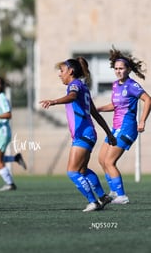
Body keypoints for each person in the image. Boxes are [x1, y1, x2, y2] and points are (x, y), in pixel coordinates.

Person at [39, 57, 117, 212]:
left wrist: (54, 101)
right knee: (82, 170)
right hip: (88, 133)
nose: (60, 74)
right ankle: (102, 197)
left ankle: (93, 202)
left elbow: (72, 96)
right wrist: (109, 133)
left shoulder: (74, 85)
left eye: (62, 71)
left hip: (83, 134)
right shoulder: (83, 87)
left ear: (71, 71)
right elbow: (95, 114)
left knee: (72, 171)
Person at [97, 47, 151, 204]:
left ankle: (122, 196)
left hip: (127, 128)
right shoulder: (115, 85)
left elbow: (148, 99)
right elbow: (115, 105)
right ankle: (114, 191)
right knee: (101, 159)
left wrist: (142, 120)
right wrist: (98, 109)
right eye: (116, 69)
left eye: (121, 68)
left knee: (109, 162)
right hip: (115, 128)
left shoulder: (132, 85)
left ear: (128, 70)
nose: (118, 71)